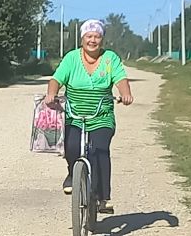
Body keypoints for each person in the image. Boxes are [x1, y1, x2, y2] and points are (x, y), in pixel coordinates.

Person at [44, 19, 133, 214]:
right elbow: (56, 79)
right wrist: (51, 93)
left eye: (97, 37)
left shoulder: (110, 59)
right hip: (74, 115)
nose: (92, 40)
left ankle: (103, 198)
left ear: (102, 39)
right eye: (89, 36)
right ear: (82, 38)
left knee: (100, 150)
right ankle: (72, 174)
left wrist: (126, 93)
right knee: (71, 145)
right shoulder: (71, 58)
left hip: (101, 115)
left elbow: (121, 79)